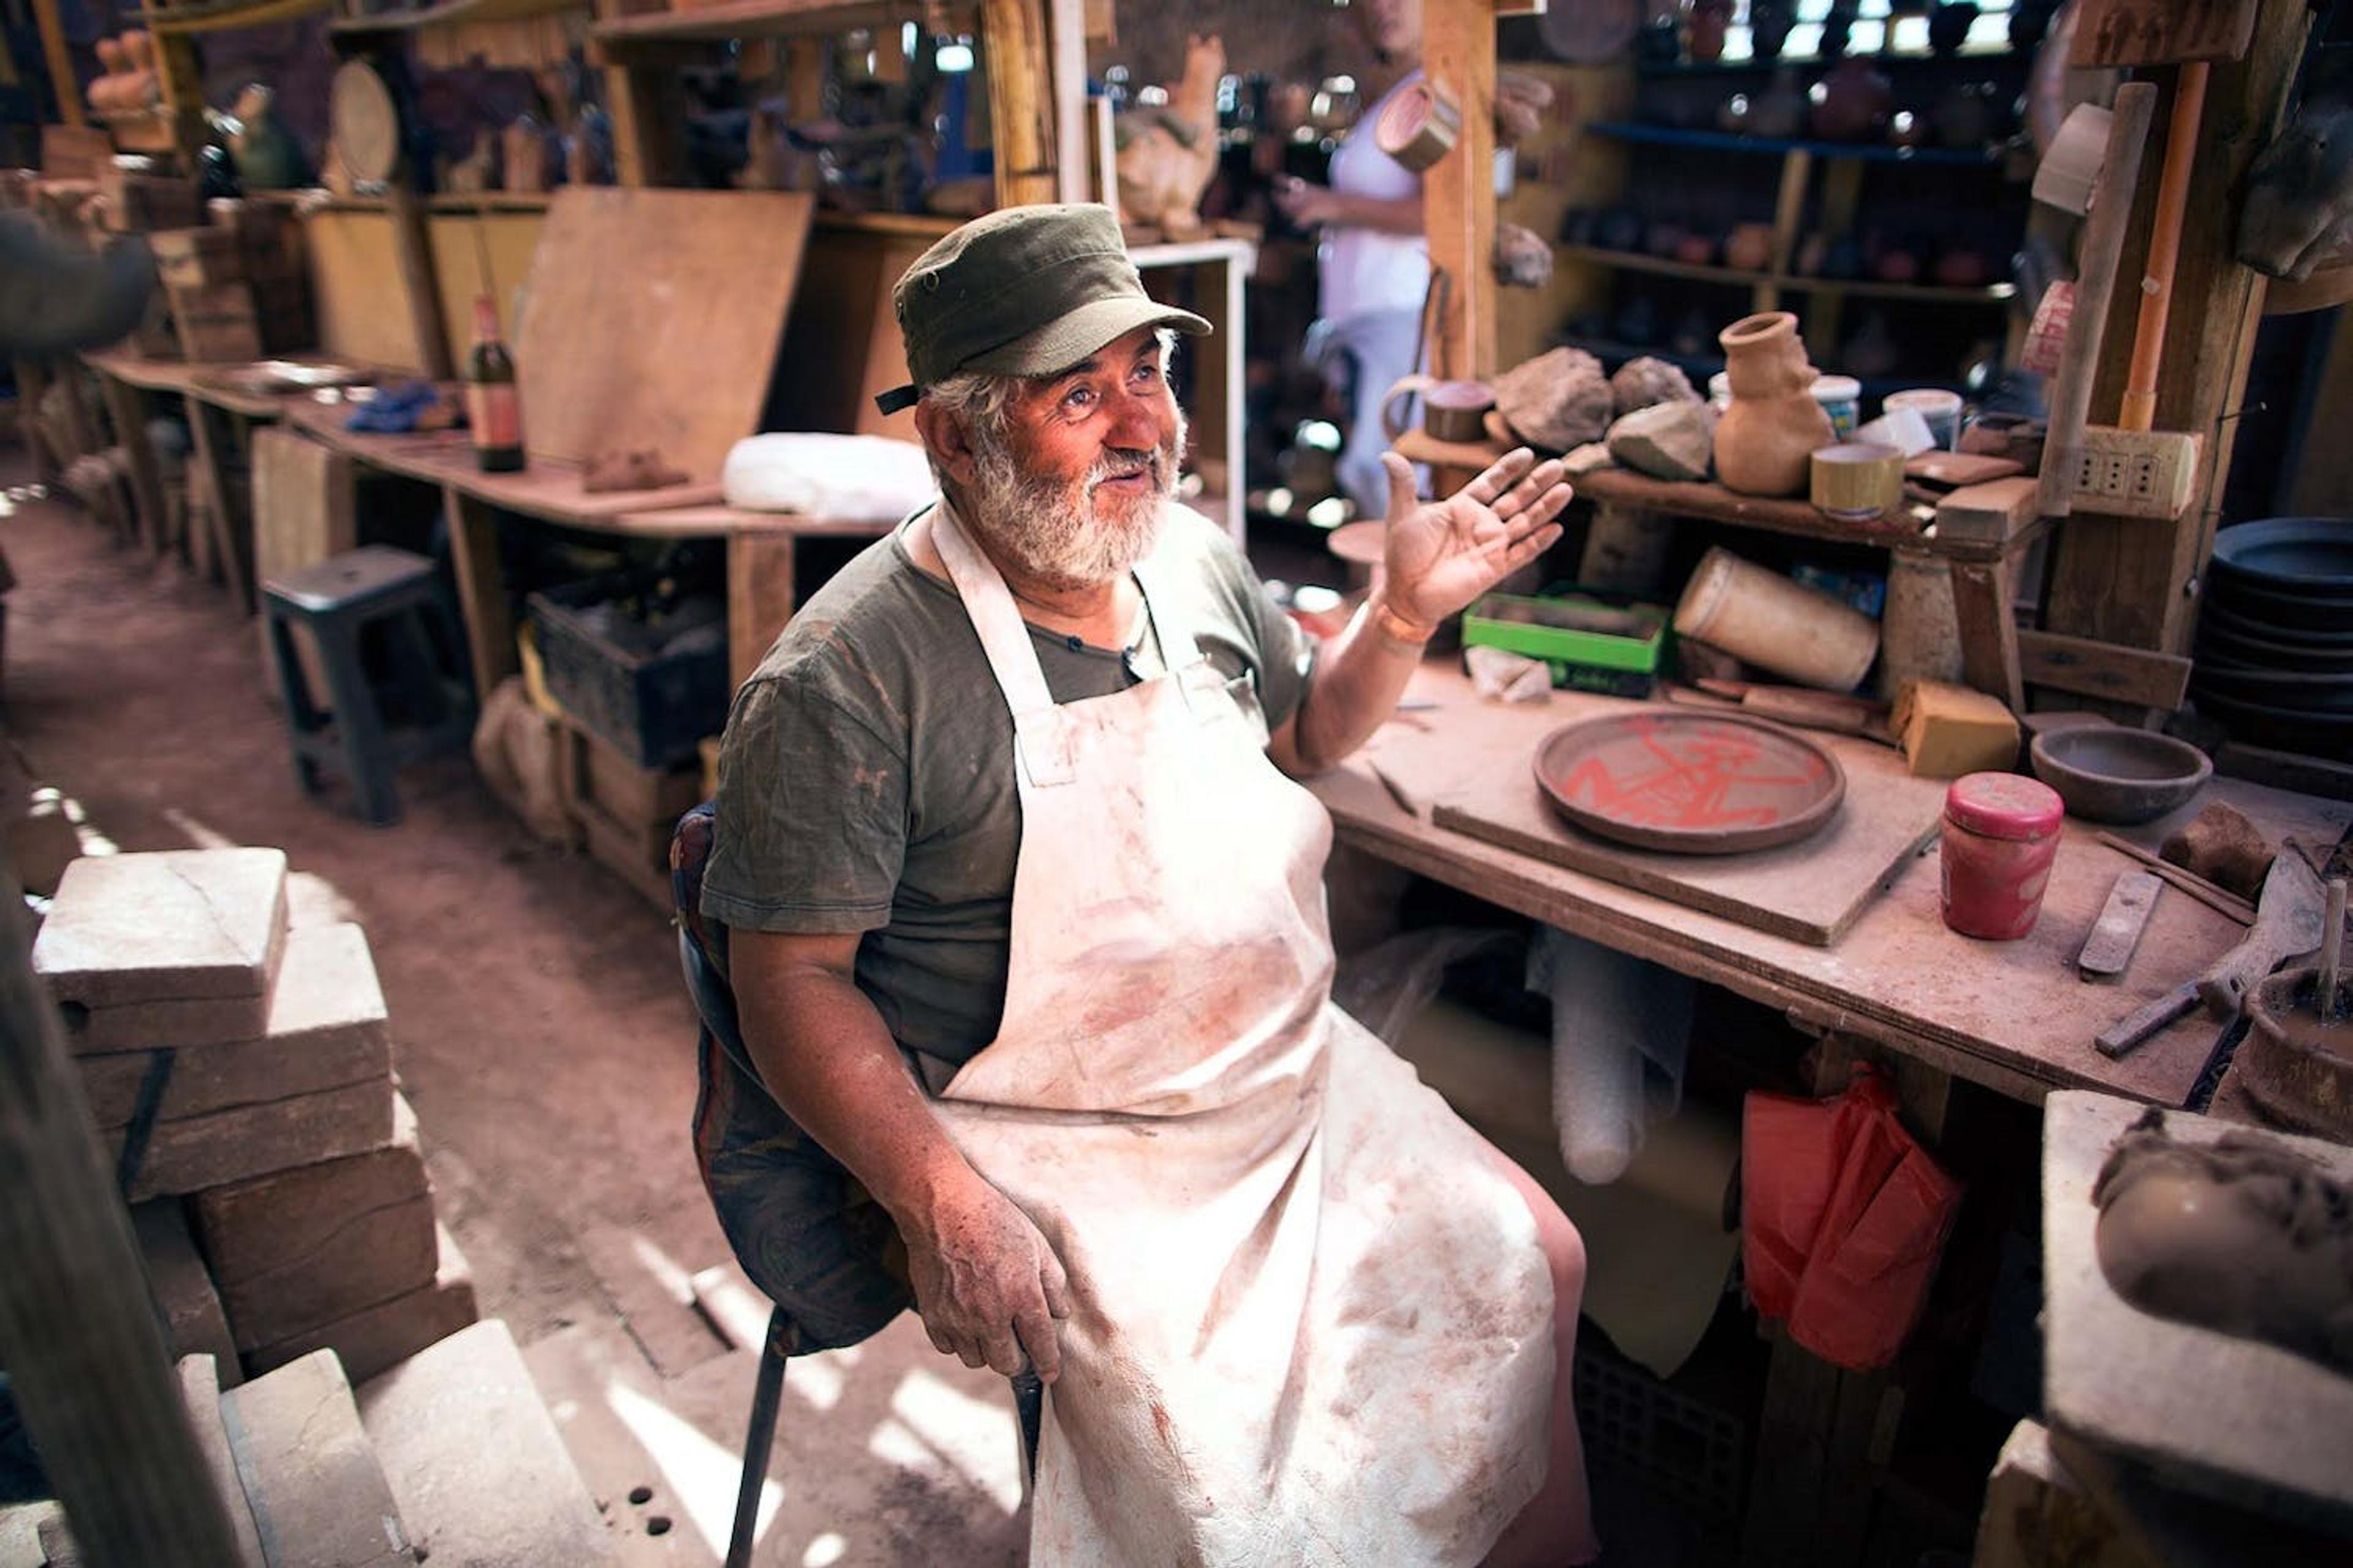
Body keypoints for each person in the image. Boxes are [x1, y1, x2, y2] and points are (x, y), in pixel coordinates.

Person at [701, 202, 1597, 1565]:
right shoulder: (847, 679)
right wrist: (941, 1200)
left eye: (1148, 373)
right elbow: (789, 981)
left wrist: (1403, 616)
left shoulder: (1183, 556)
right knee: (1226, 1484)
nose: (1141, 425)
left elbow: (1302, 737)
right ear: (953, 434)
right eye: (1078, 393)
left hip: (1278, 1075)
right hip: (1060, 1136)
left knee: (1533, 1258)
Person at [1275, 0, 1431, 523]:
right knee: (1369, 472)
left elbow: (1440, 213)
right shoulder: (1396, 96)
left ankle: (1391, 599)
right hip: (1365, 319)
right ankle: (1374, 595)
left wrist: (1332, 205)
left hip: (1398, 313)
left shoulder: (1439, 97)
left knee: (1384, 473)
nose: (1384, 8)